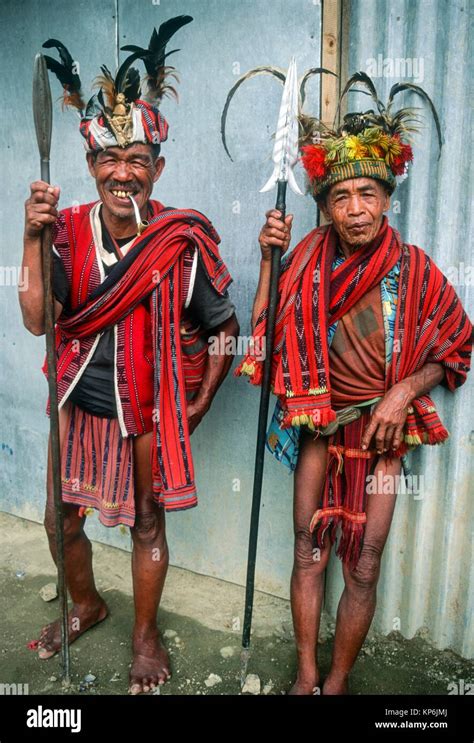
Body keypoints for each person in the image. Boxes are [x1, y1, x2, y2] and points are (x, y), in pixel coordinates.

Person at [19, 16, 239, 694]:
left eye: (137, 161)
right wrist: (31, 237)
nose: (123, 173)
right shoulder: (65, 234)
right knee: (61, 516)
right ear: (90, 166)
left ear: (157, 168)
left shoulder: (179, 239)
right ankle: (87, 604)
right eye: (110, 160)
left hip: (144, 411)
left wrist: (198, 403)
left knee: (148, 520)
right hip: (78, 401)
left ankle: (145, 634)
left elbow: (226, 328)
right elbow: (35, 320)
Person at [236, 73, 472, 695]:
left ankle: (337, 680)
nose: (355, 209)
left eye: (367, 193)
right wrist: (267, 261)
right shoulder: (306, 260)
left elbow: (457, 344)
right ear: (325, 205)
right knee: (308, 551)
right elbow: (262, 335)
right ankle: (307, 673)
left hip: (383, 435)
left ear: (387, 197)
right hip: (318, 426)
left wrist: (403, 392)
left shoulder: (415, 270)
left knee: (364, 564)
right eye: (341, 197)